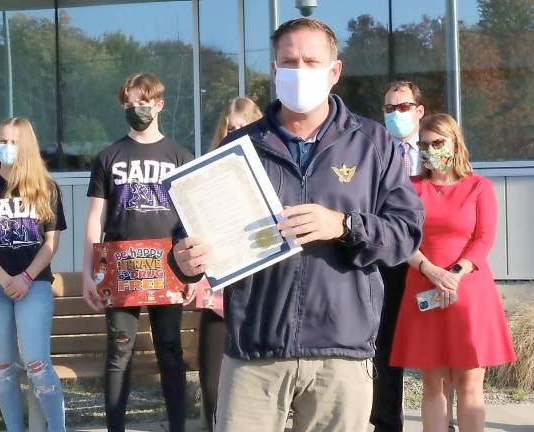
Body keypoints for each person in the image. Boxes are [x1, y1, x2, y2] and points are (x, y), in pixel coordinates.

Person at [171, 18, 424, 432]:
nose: (299, 70)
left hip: (341, 352)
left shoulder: (371, 142)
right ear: (273, 70)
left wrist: (344, 225)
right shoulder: (239, 146)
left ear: (334, 71)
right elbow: (190, 231)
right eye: (289, 61)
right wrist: (185, 256)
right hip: (255, 351)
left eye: (311, 61)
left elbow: (405, 233)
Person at [81, 72, 193, 432]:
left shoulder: (179, 155)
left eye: (142, 102)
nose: (135, 108)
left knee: (169, 350)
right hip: (119, 267)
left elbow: (193, 216)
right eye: (128, 103)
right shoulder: (107, 156)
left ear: (159, 104)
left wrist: (196, 272)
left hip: (169, 266)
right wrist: (89, 271)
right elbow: (95, 217)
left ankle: (178, 425)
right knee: (119, 351)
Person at [391, 114, 516, 432]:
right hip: (424, 287)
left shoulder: (479, 186)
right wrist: (431, 270)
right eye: (425, 144)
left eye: (438, 143)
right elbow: (404, 238)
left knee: (470, 385)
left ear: (455, 144)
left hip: (470, 292)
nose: (431, 150)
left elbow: (484, 238)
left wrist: (455, 274)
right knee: (434, 384)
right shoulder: (412, 188)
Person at [0, 117, 67, 432]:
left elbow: (50, 245)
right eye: (1, 141)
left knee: (37, 365)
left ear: (26, 147)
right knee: (3, 368)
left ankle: (58, 429)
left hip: (33, 286)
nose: (5, 148)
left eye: (12, 142)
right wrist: (6, 280)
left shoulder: (47, 189)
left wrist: (24, 278)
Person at [197, 96, 263, 431]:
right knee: (211, 380)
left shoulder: (271, 170)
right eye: (230, 127)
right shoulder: (208, 170)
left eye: (243, 127)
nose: (235, 133)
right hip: (218, 292)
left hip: (259, 291)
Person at [371, 81, 425, 432]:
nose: (396, 115)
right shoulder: (376, 152)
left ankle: (441, 422)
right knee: (385, 347)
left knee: (438, 348)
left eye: (403, 107)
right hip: (389, 264)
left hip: (430, 265)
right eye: (390, 109)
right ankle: (387, 423)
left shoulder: (439, 149)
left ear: (419, 110)